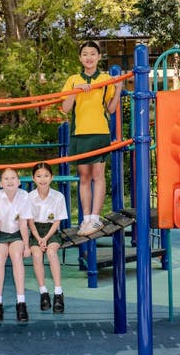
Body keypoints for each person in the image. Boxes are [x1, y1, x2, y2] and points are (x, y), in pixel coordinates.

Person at [61, 41, 123, 236]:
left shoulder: (105, 79)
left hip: (99, 133)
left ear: (98, 57)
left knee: (97, 176)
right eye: (85, 54)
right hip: (79, 134)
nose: (89, 57)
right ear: (80, 58)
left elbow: (111, 109)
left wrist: (119, 88)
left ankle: (95, 218)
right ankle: (86, 219)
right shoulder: (72, 79)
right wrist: (76, 90)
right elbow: (65, 108)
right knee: (84, 177)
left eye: (92, 54)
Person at [0, 168, 32, 323]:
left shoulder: (24, 196)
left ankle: (21, 302)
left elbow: (24, 224)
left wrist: (26, 245)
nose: (10, 181)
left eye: (13, 178)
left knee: (17, 256)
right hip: (1, 234)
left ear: (19, 182)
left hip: (18, 234)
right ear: (0, 183)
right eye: (6, 178)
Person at [27, 162, 68, 313]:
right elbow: (30, 222)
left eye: (46, 176)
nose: (42, 179)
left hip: (51, 230)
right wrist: (38, 238)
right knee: (37, 254)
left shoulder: (58, 196)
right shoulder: (29, 197)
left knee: (51, 252)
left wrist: (46, 238)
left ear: (52, 177)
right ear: (33, 178)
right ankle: (43, 292)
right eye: (38, 176)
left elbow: (57, 221)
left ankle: (58, 292)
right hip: (36, 231)